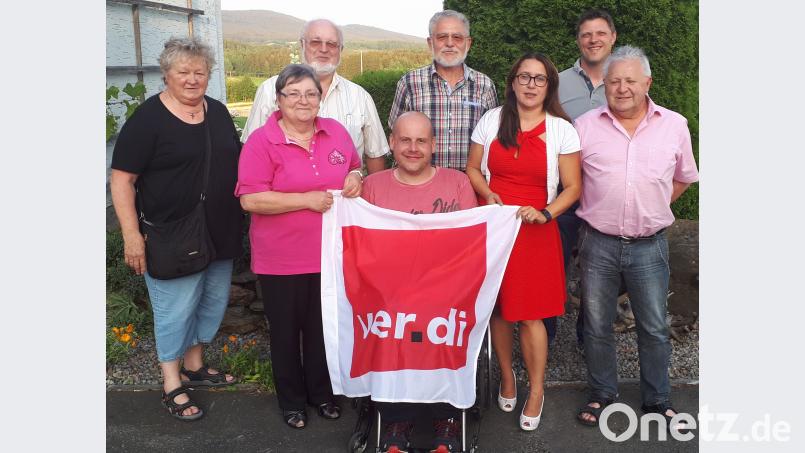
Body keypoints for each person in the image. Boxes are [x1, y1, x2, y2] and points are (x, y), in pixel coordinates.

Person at [110, 37, 243, 421]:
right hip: (171, 234)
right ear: (166, 74)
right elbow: (122, 180)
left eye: (199, 72)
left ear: (209, 75)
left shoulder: (217, 112)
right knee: (174, 310)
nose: (191, 79)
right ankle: (171, 381)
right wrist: (132, 236)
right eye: (182, 72)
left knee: (211, 303)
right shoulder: (148, 120)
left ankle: (195, 365)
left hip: (219, 229)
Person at [573, 46, 698, 430]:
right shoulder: (585, 126)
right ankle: (602, 393)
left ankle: (657, 399)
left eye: (630, 80)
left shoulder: (674, 125)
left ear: (647, 83)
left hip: (650, 245)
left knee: (654, 327)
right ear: (605, 86)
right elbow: (570, 181)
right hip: (597, 243)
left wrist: (652, 206)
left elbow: (683, 177)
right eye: (614, 81)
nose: (622, 88)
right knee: (596, 325)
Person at [235, 64, 364, 429]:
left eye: (310, 93)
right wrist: (305, 200)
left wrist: (355, 176)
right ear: (278, 99)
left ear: (320, 99)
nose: (303, 100)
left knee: (323, 331)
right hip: (281, 260)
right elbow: (251, 199)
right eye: (293, 93)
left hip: (329, 255)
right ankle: (292, 402)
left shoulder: (335, 131)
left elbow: (354, 166)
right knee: (287, 333)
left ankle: (322, 395)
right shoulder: (263, 140)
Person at [466, 53, 582, 431]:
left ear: (549, 86)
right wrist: (487, 194)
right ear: (512, 82)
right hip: (497, 228)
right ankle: (507, 376)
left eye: (539, 79)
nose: (531, 85)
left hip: (535, 231)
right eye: (524, 77)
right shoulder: (492, 120)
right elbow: (472, 168)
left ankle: (535, 390)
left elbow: (573, 187)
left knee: (531, 314)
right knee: (499, 309)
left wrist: (546, 212)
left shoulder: (562, 130)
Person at [362, 111, 478, 453]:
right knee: (389, 323)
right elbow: (360, 250)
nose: (413, 148)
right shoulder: (372, 186)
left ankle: (448, 417)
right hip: (390, 295)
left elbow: (469, 243)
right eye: (405, 140)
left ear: (434, 145)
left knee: (449, 321)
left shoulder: (457, 182)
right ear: (392, 142)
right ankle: (397, 417)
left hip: (444, 291)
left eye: (421, 141)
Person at [242, 19, 389, 174]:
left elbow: (375, 155)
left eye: (331, 44)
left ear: (341, 49)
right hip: (285, 197)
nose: (324, 49)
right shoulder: (269, 90)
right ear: (302, 44)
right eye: (315, 42)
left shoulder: (360, 97)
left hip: (346, 195)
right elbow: (251, 153)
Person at [553, 8, 619, 348]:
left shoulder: (624, 81)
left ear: (613, 38)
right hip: (561, 194)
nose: (593, 40)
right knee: (552, 268)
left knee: (598, 274)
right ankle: (544, 339)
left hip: (605, 197)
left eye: (600, 33)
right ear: (578, 40)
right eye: (586, 34)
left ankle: (587, 341)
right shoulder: (558, 82)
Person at [388, 9, 498, 172]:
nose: (449, 43)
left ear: (468, 43)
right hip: (418, 185)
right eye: (442, 37)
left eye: (457, 37)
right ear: (430, 42)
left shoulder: (485, 86)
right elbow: (396, 135)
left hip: (469, 187)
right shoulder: (409, 83)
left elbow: (492, 140)